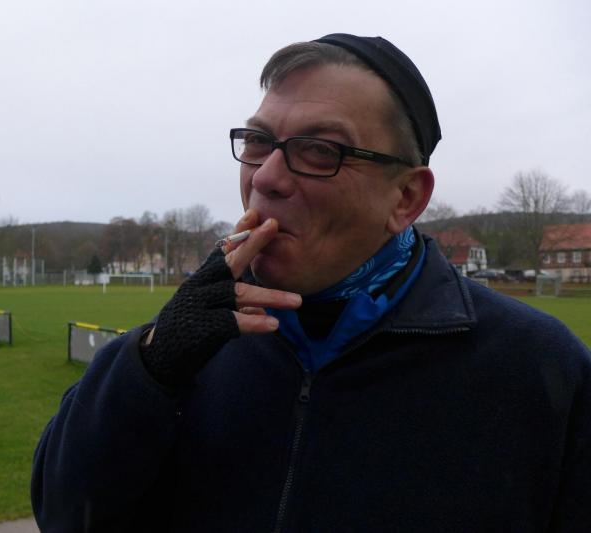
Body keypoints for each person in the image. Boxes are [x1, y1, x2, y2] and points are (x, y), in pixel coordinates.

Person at [32, 33, 591, 532]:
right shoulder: (189, 345)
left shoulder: (539, 368)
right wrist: (147, 369)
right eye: (257, 141)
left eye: (321, 151)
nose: (267, 178)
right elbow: (64, 515)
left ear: (405, 198)